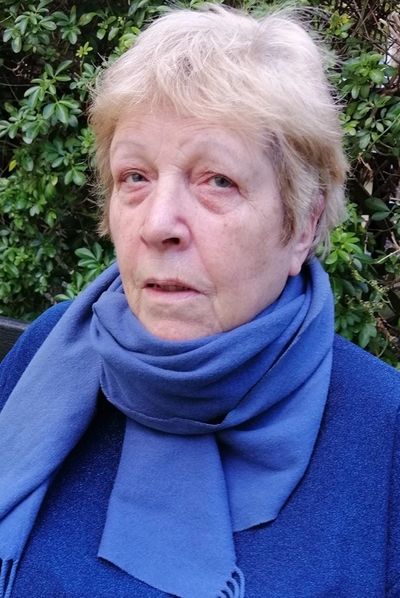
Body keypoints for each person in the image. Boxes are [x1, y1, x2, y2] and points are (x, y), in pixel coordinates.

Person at [0, 5, 399, 598]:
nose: (158, 224)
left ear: (303, 224)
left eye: (217, 180)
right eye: (135, 177)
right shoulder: (52, 348)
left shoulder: (385, 434)